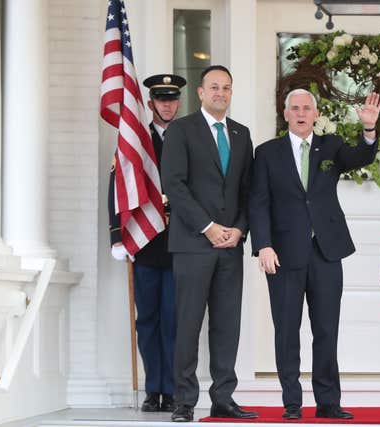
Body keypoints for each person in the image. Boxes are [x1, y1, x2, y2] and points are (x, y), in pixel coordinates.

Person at [249, 88, 380, 420]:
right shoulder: (266, 153)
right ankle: (292, 403)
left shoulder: (331, 146)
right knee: (286, 330)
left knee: (326, 329)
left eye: (307, 108)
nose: (301, 113)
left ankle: (328, 402)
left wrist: (368, 130)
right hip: (282, 254)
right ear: (285, 113)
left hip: (326, 251)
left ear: (316, 113)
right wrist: (263, 244)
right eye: (294, 108)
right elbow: (258, 201)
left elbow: (361, 158)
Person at [161, 65, 257, 423]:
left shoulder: (241, 134)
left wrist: (239, 229)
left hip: (231, 245)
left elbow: (249, 190)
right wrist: (208, 226)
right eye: (214, 87)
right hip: (193, 244)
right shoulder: (182, 131)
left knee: (227, 324)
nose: (221, 93)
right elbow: (174, 184)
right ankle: (184, 401)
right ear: (200, 92)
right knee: (188, 323)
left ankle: (223, 398)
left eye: (227, 88)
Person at [108, 73, 186, 412]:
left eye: (172, 99)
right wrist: (118, 236)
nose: (167, 104)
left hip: (182, 241)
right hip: (145, 241)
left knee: (174, 320)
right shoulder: (135, 140)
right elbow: (118, 184)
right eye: (161, 99)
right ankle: (152, 389)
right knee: (148, 319)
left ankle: (171, 389)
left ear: (179, 102)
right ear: (151, 103)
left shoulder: (189, 136)